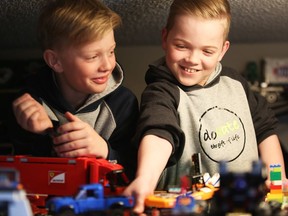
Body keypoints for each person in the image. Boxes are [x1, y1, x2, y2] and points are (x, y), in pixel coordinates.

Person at [123, 0, 287, 213]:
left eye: (207, 51)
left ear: (222, 50)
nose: (192, 59)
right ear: (165, 38)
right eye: (181, 46)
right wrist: (145, 178)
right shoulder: (161, 93)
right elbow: (159, 133)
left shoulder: (237, 83)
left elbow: (265, 131)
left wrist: (277, 182)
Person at [9, 0, 139, 180]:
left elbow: (135, 172)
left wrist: (104, 149)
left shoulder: (123, 103)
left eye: (111, 51)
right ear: (55, 61)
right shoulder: (30, 102)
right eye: (92, 56)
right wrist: (40, 134)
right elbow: (18, 176)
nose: (108, 65)